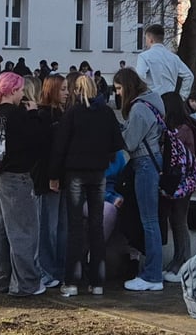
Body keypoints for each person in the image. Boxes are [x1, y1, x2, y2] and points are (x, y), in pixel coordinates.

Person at [48, 75, 125, 297]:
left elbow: (60, 146)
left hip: (75, 174)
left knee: (74, 228)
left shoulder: (73, 113)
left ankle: (72, 281)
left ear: (76, 91)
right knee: (96, 227)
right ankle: (97, 282)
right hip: (98, 174)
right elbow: (116, 144)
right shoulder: (107, 113)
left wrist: (54, 175)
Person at [0, 72, 49, 297]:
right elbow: (38, 141)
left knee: (0, 231)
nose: (23, 94)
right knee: (22, 231)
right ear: (12, 91)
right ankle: (26, 283)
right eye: (20, 90)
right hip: (15, 177)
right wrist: (34, 115)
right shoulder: (18, 115)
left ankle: (0, 280)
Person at [112, 67, 164, 292]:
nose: (118, 94)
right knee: (152, 220)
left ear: (128, 87)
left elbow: (130, 142)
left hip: (144, 164)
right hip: (154, 161)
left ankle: (152, 275)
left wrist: (118, 132)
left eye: (119, 88)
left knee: (149, 221)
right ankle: (154, 272)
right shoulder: (154, 100)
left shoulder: (139, 109)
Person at [35, 74, 68, 289]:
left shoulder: (62, 114)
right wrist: (53, 177)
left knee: (58, 226)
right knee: (49, 226)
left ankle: (57, 269)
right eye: (63, 88)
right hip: (49, 178)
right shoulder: (45, 116)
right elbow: (49, 152)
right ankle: (49, 270)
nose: (67, 92)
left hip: (59, 177)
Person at [159, 91, 195, 283]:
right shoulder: (180, 127)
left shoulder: (182, 130)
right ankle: (178, 259)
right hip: (178, 181)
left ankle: (185, 262)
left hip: (181, 181)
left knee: (180, 221)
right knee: (176, 221)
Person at [135, 24, 193, 99]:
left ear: (150, 40)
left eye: (146, 39)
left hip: (153, 99)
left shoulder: (144, 57)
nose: (145, 42)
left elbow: (139, 76)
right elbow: (189, 76)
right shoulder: (174, 58)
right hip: (170, 99)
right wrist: (182, 96)